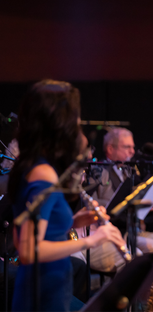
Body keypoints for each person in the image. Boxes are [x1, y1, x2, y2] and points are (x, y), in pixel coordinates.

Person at [7, 79, 126, 311]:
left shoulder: (38, 166)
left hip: (49, 286)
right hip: (42, 293)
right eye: (75, 118)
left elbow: (35, 232)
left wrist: (74, 221)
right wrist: (92, 239)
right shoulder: (43, 174)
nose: (79, 124)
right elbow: (28, 249)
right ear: (59, 123)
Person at [90, 127, 153, 275]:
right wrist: (132, 204)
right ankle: (147, 295)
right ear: (110, 149)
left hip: (135, 230)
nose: (132, 151)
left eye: (133, 147)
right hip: (115, 231)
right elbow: (94, 201)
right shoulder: (99, 170)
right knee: (151, 247)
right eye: (127, 147)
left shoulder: (130, 171)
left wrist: (149, 205)